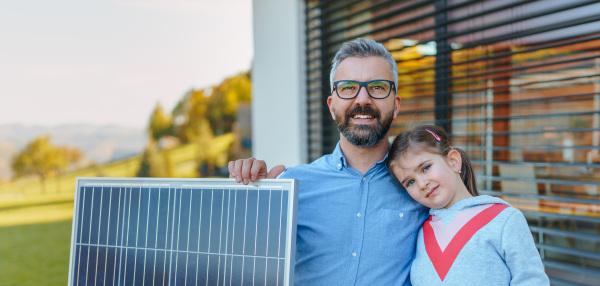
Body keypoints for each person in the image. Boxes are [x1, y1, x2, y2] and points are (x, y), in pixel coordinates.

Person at [228, 38, 429, 285]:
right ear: (332, 106)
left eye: (377, 87)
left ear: (395, 105)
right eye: (347, 88)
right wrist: (249, 198)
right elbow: (247, 262)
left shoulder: (422, 186)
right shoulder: (291, 186)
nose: (363, 99)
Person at [386, 124, 549, 285]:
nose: (422, 183)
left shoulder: (504, 219)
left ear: (453, 161)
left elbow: (532, 281)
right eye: (410, 182)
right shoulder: (419, 232)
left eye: (426, 167)